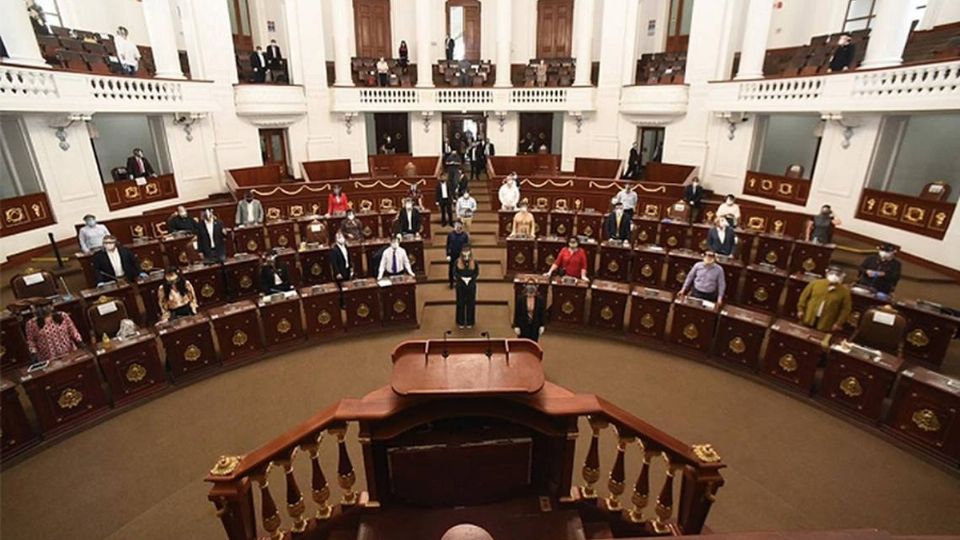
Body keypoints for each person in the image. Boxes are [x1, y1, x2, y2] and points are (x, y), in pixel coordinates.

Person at [797, 265, 852, 332]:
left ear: (841, 276)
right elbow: (803, 297)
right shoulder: (815, 283)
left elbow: (845, 309)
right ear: (827, 273)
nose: (834, 276)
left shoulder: (844, 291)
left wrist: (838, 323)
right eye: (831, 273)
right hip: (808, 317)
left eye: (837, 274)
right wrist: (800, 310)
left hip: (826, 323)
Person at [454, 244, 479, 328]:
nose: (466, 252)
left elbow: (476, 273)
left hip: (471, 285)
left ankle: (470, 322)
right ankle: (460, 322)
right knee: (460, 303)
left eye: (467, 251)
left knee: (470, 303)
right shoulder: (457, 261)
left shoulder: (474, 262)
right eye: (464, 251)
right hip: (460, 285)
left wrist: (471, 279)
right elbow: (454, 273)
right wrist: (461, 278)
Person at [330, 231, 353, 307]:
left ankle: (348, 302)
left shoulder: (346, 246)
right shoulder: (334, 249)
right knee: (341, 288)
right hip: (340, 271)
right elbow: (334, 263)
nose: (341, 239)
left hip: (347, 269)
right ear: (336, 239)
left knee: (347, 286)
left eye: (342, 237)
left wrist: (351, 268)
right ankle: (342, 304)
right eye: (339, 238)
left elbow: (349, 258)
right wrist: (337, 273)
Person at [446, 221, 470, 288]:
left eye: (460, 226)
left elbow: (467, 246)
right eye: (457, 226)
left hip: (461, 255)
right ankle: (451, 283)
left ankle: (460, 283)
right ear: (455, 227)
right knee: (451, 269)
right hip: (452, 255)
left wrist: (466, 255)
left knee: (461, 270)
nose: (458, 228)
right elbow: (447, 246)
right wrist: (448, 255)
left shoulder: (465, 235)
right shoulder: (450, 235)